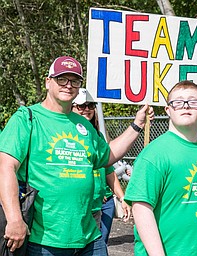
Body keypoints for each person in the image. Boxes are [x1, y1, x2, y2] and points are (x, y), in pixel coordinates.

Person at [0, 56, 153, 255]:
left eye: (75, 80)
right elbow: (5, 167)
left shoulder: (85, 126)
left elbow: (107, 156)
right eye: (62, 79)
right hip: (44, 240)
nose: (68, 85)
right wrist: (14, 220)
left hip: (89, 237)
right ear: (48, 82)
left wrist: (137, 124)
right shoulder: (27, 118)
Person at [124, 80, 197, 255]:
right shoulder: (154, 154)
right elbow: (141, 208)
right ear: (168, 110)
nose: (186, 106)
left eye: (193, 101)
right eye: (178, 102)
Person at [72, 88, 131, 254]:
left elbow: (108, 168)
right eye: (81, 106)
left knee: (100, 246)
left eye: (90, 105)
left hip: (102, 203)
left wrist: (121, 196)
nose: (86, 109)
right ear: (72, 106)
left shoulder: (98, 135)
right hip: (81, 205)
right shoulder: (68, 133)